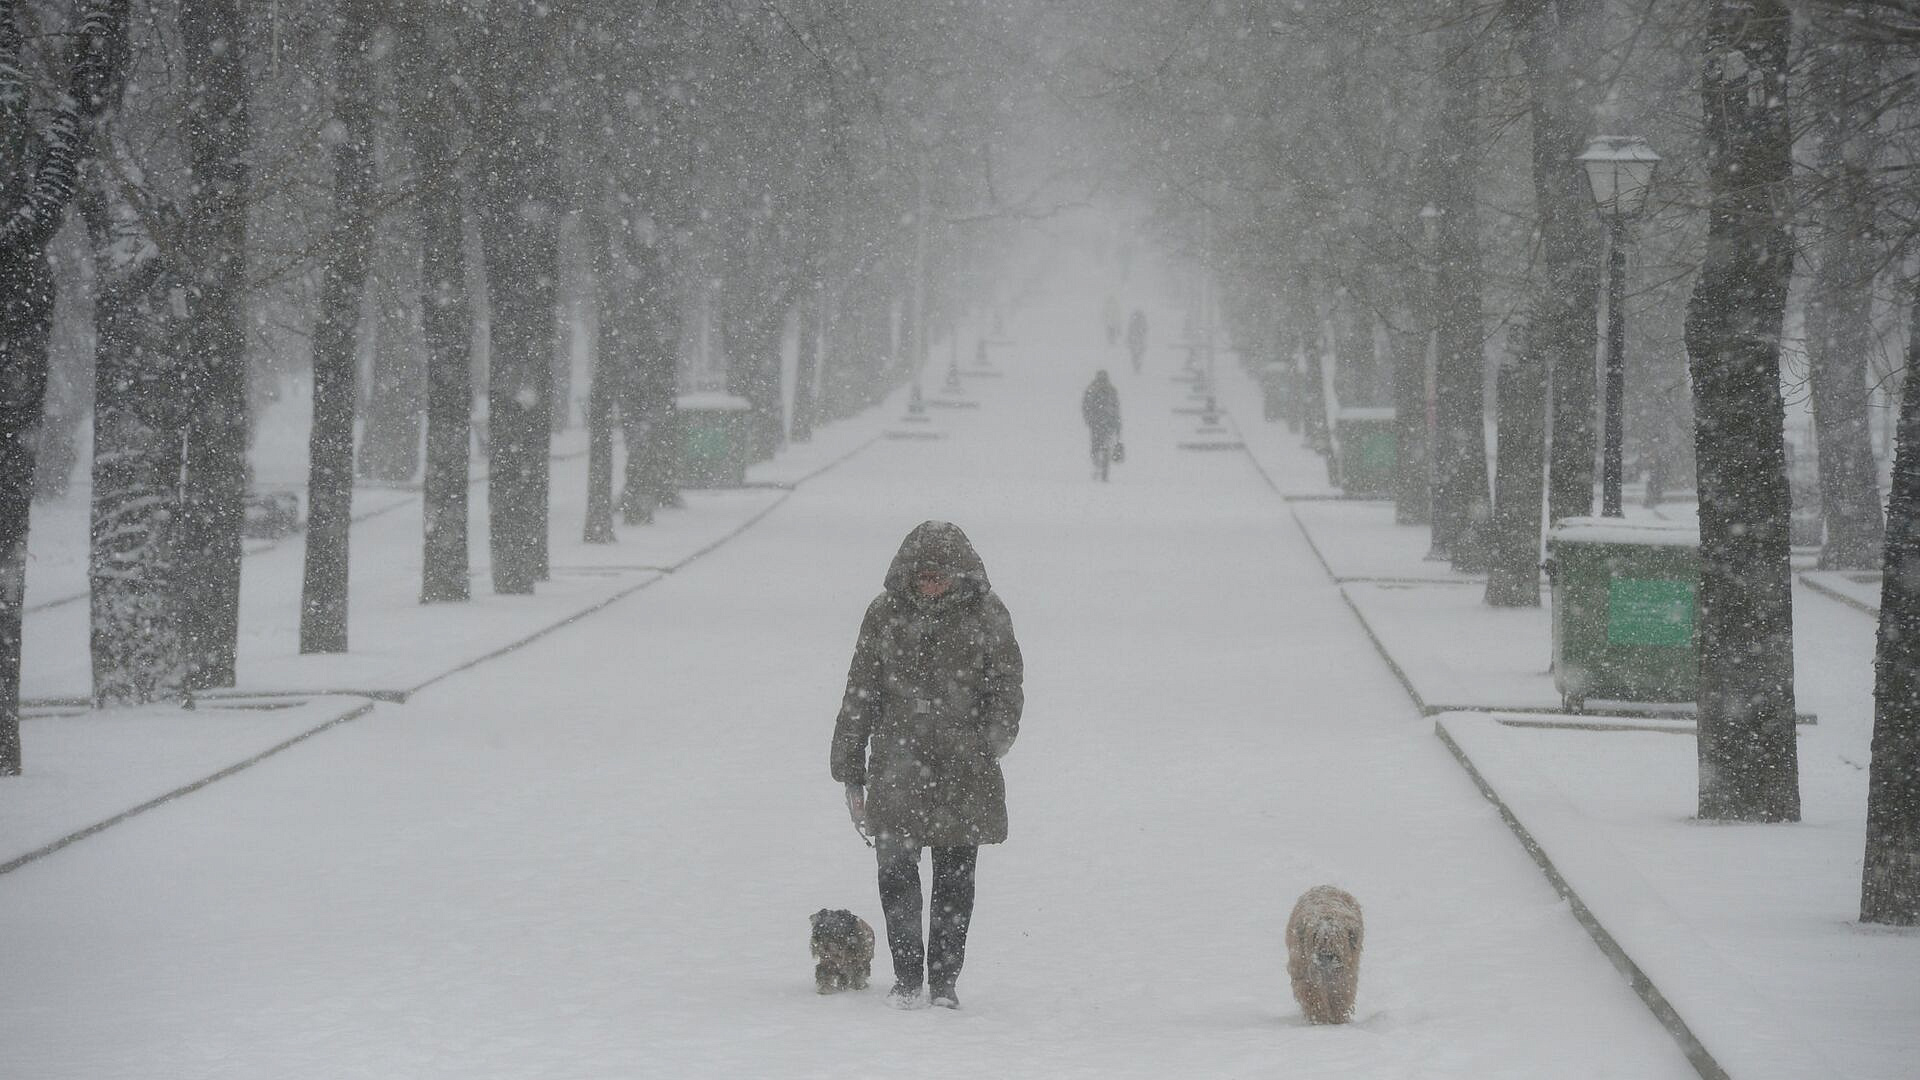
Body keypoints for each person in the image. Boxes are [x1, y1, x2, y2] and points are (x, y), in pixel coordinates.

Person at [831, 521, 1025, 1010]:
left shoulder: (986, 615)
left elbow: (1007, 684)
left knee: (955, 880)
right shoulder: (884, 616)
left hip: (965, 768)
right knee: (895, 874)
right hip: (898, 765)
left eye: (939, 576)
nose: (930, 584)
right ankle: (905, 976)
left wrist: (989, 740)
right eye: (923, 576)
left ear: (958, 575)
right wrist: (850, 765)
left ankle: (943, 982)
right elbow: (860, 690)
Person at [1082, 370, 1122, 481]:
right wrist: (1117, 424)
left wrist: (1089, 419)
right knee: (1103, 446)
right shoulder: (1110, 390)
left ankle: (1099, 466)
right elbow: (1115, 409)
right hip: (1105, 423)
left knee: (1098, 446)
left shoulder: (1092, 389)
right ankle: (1102, 468)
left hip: (1098, 423)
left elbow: (1086, 406)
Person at [1126, 308, 1148, 373]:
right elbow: (1145, 330)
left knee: (1135, 355)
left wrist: (1129, 339)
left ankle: (1136, 367)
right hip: (1140, 341)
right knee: (1138, 355)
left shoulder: (1133, 321)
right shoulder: (1142, 320)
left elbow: (1129, 331)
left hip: (1134, 341)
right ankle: (1137, 367)